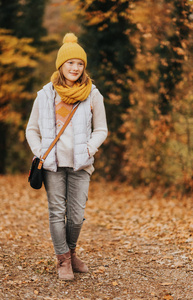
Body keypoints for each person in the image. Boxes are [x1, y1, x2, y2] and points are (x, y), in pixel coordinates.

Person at [26, 33, 108, 281]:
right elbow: (32, 129)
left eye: (80, 63)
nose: (75, 68)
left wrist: (88, 149)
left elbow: (101, 129)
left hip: (80, 164)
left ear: (84, 67)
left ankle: (71, 253)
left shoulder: (92, 94)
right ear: (61, 65)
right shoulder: (45, 95)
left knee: (76, 214)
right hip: (52, 164)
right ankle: (62, 259)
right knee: (56, 211)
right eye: (70, 63)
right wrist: (39, 151)